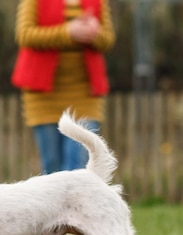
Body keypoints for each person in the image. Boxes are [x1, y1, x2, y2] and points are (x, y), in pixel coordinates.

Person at [11, 0, 116, 174]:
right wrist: (68, 32)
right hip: (43, 94)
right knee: (52, 165)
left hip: (85, 93)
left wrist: (95, 33)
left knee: (79, 163)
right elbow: (24, 34)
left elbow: (107, 40)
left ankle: (77, 202)